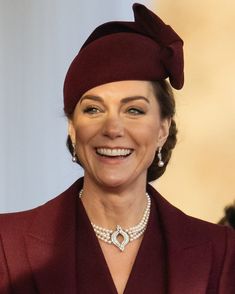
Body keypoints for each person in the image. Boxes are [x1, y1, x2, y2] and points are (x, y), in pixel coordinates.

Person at [0, 3, 235, 294]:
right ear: (72, 127)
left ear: (162, 128)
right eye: (94, 110)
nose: (112, 129)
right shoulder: (6, 245)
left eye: (134, 110)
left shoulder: (219, 250)